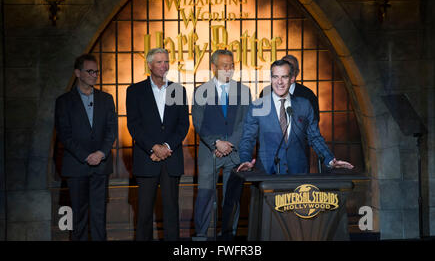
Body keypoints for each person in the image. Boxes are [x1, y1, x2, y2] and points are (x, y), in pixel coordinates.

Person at [237, 59, 353, 174]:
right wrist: (245, 160)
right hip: (268, 173)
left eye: (284, 77)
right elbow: (248, 138)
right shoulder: (257, 106)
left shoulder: (304, 105)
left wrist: (330, 160)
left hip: (298, 174)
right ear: (271, 78)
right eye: (275, 77)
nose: (280, 82)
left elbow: (314, 137)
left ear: (292, 79)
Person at [126, 48, 189, 241]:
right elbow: (134, 125)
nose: (164, 65)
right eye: (160, 62)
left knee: (171, 211)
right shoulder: (135, 91)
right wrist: (154, 147)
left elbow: (183, 124)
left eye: (166, 62)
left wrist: (167, 147)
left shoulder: (178, 90)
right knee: (144, 212)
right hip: (147, 158)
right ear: (149, 65)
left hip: (171, 159)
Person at [55, 53, 117, 241]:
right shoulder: (64, 101)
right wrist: (86, 156)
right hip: (76, 166)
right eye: (90, 71)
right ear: (77, 73)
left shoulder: (106, 99)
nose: (94, 75)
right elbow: (64, 134)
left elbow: (111, 130)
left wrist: (100, 153)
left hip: (100, 165)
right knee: (78, 218)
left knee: (99, 216)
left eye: (96, 71)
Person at [191, 49, 251, 240]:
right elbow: (199, 122)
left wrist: (230, 143)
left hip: (234, 154)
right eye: (224, 65)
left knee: (231, 196)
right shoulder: (201, 91)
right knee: (205, 194)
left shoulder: (244, 91)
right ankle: (201, 234)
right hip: (210, 153)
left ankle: (229, 234)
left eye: (231, 65)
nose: (229, 69)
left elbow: (245, 122)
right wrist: (217, 143)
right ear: (213, 67)